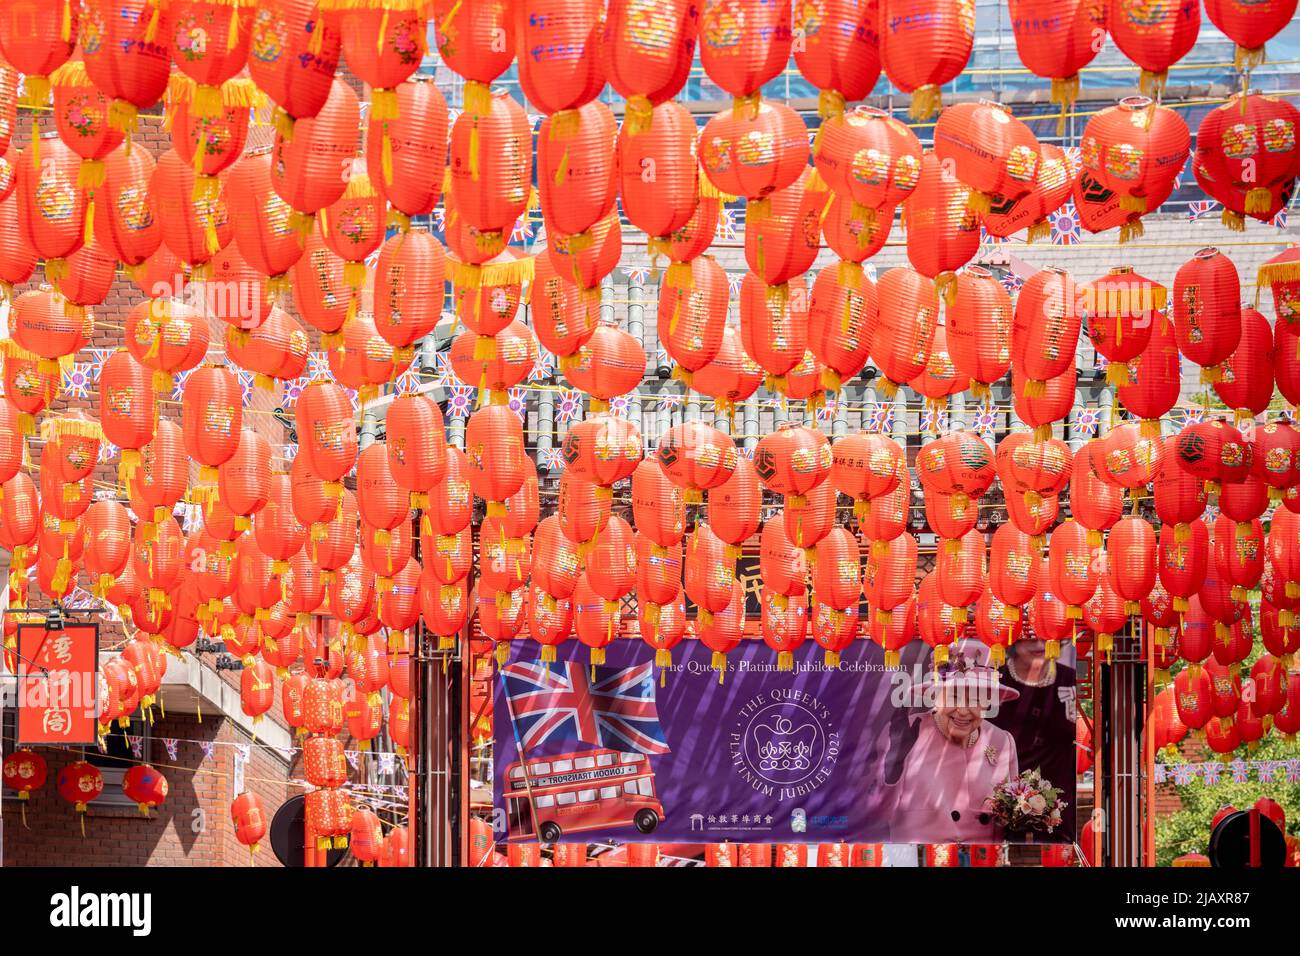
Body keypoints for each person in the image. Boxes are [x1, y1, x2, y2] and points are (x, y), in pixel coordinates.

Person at [877, 640, 1020, 844]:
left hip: (981, 858)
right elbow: (875, 814)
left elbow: (1011, 814)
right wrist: (894, 767)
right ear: (935, 696)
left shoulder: (1002, 741)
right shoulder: (908, 732)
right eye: (953, 696)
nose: (962, 710)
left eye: (975, 700)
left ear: (988, 702)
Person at [990, 633, 1077, 835]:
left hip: (1058, 811)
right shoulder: (994, 681)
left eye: (1046, 635)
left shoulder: (1071, 680)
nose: (1039, 644)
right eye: (1029, 635)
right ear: (1013, 636)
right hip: (999, 807)